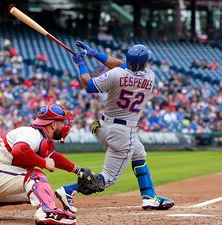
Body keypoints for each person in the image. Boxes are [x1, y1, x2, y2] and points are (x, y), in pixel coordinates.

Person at [55, 40, 174, 213]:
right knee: (108, 178)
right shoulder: (150, 76)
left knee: (139, 153)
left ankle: (149, 197)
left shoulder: (116, 74)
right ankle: (68, 191)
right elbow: (122, 66)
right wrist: (95, 54)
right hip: (124, 132)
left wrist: (81, 64)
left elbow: (89, 85)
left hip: (102, 127)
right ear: (143, 63)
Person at [0, 103, 85, 225]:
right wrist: (44, 163)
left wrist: (78, 170)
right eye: (63, 122)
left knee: (40, 193)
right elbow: (19, 150)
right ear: (54, 124)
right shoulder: (31, 132)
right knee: (35, 177)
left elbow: (54, 157)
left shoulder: (40, 137)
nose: (66, 125)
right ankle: (47, 212)